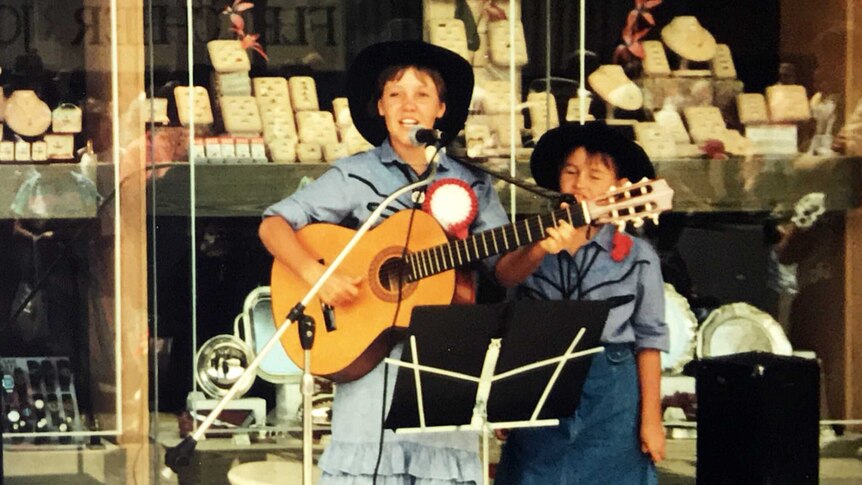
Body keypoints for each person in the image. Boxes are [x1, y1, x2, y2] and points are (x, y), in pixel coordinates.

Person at [258, 40, 508, 484]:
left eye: (422, 94)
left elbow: (503, 268)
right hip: (369, 371)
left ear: (442, 110)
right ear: (379, 106)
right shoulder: (356, 174)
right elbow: (274, 224)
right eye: (395, 93)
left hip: (441, 371)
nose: (408, 104)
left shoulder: (471, 183)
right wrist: (318, 274)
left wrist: (545, 244)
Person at [493, 122, 669, 484]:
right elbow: (506, 284)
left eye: (595, 174)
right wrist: (540, 248)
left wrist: (652, 419)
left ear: (620, 186)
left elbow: (649, 340)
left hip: (612, 392)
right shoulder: (534, 243)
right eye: (570, 172)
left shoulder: (639, 256)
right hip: (543, 379)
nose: (580, 184)